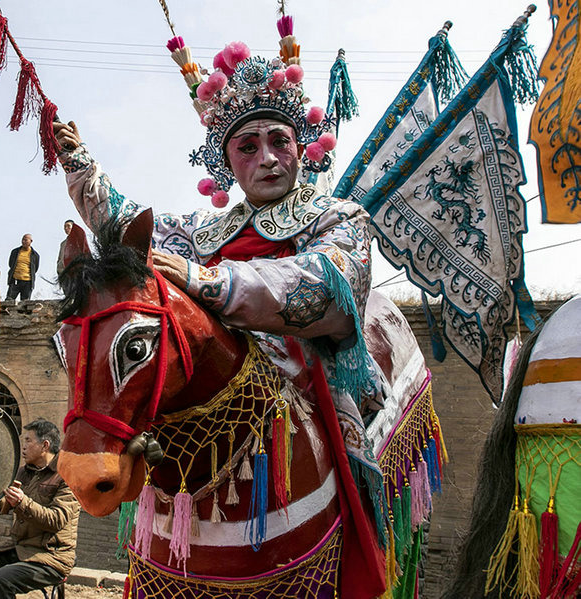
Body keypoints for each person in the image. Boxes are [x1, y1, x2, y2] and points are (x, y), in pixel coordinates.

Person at [52, 38, 388, 595]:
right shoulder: (205, 233)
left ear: (302, 149)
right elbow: (126, 224)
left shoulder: (338, 218)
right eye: (248, 146)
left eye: (279, 142)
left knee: (355, 448)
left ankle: (357, 544)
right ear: (228, 162)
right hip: (211, 381)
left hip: (308, 374)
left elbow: (330, 286)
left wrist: (209, 279)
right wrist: (80, 164)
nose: (267, 158)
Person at [0, 419, 79, 599]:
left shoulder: (67, 476)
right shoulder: (24, 471)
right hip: (19, 548)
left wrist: (22, 502)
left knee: (2, 579)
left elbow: (57, 520)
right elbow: (4, 505)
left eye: (28, 441)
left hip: (50, 557)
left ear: (45, 445)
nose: (24, 447)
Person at [6, 234, 39, 301]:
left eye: (26, 240)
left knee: (25, 303)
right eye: (23, 240)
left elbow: (35, 269)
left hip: (27, 282)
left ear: (31, 241)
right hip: (15, 280)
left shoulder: (35, 255)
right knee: (9, 301)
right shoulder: (15, 252)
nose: (23, 241)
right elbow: (11, 264)